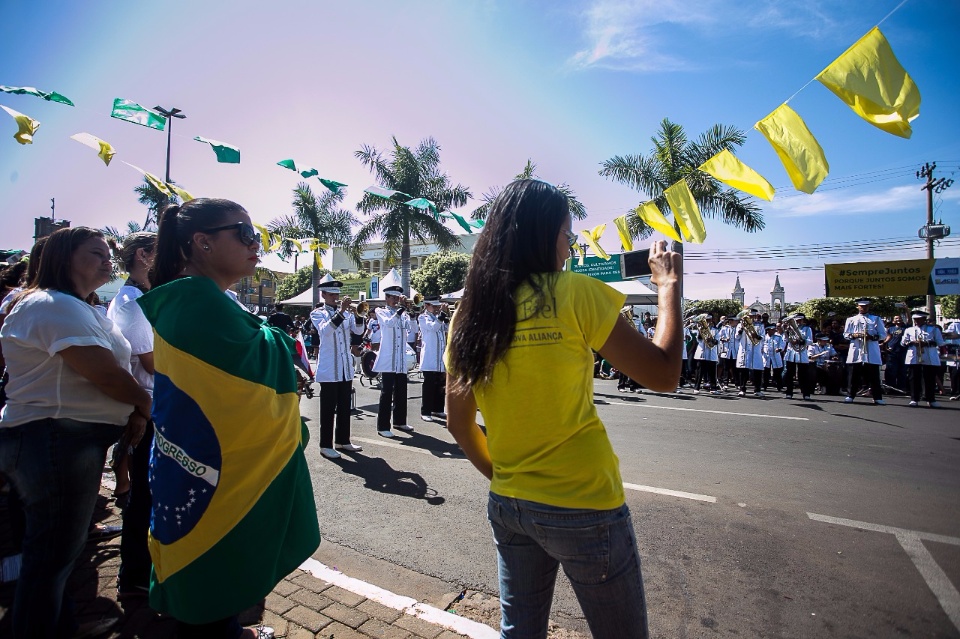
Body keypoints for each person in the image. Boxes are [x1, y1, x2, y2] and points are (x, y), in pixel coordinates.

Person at [445, 179, 682, 639]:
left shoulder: (470, 312)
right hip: (585, 505)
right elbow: (665, 374)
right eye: (568, 236)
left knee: (520, 631)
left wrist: (505, 477)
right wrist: (668, 286)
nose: (571, 248)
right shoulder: (576, 293)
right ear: (542, 234)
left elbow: (458, 422)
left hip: (510, 504)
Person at [140, 198, 319, 638]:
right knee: (214, 575)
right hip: (211, 463)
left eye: (255, 234)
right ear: (201, 242)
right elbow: (266, 356)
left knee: (212, 586)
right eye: (243, 233)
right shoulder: (199, 302)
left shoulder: (202, 298)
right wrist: (278, 339)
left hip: (199, 456)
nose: (255, 243)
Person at [0, 226, 152, 638]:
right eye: (96, 253)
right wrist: (146, 404)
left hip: (65, 440)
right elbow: (105, 374)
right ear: (65, 259)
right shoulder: (52, 305)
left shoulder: (77, 306)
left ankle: (56, 624)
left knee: (56, 555)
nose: (108, 261)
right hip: (52, 439)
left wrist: (133, 411)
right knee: (50, 556)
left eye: (108, 253)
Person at [106, 231, 158, 601]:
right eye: (162, 253)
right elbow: (153, 363)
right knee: (144, 497)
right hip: (148, 407)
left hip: (150, 406)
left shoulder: (138, 297)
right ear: (143, 256)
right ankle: (136, 573)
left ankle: (141, 569)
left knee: (149, 494)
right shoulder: (132, 302)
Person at [310, 275, 364, 459]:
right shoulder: (318, 313)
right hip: (329, 369)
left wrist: (358, 315)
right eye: (331, 294)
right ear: (323, 294)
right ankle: (325, 445)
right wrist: (341, 311)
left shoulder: (347, 313)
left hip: (345, 368)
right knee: (327, 408)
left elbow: (358, 332)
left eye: (337, 294)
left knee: (343, 406)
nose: (335, 297)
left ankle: (343, 440)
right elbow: (325, 331)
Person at [372, 286, 416, 437]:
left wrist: (411, 313)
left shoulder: (402, 314)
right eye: (393, 297)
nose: (396, 300)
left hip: (400, 358)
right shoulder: (381, 311)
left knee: (401, 391)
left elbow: (411, 329)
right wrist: (401, 310)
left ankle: (399, 421)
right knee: (386, 392)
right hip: (388, 359)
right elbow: (389, 323)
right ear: (386, 298)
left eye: (397, 298)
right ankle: (383, 426)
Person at [843, 298, 887, 405]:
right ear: (858, 307)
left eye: (866, 306)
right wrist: (855, 335)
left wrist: (872, 337)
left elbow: (883, 335)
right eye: (861, 306)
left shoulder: (875, 319)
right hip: (857, 349)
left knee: (874, 375)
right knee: (853, 375)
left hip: (871, 349)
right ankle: (850, 395)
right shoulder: (851, 319)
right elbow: (846, 334)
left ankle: (877, 397)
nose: (863, 308)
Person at [902, 311, 945, 408]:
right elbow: (903, 342)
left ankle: (931, 399)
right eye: (915, 319)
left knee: (929, 378)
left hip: (928, 355)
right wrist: (911, 342)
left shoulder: (933, 329)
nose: (917, 321)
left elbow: (940, 342)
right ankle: (914, 399)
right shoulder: (909, 330)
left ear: (924, 319)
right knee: (914, 378)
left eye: (919, 319)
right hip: (914, 355)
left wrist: (927, 343)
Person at [418, 296, 449, 422]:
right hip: (430, 358)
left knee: (440, 385)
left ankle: (438, 409)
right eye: (434, 306)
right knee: (429, 386)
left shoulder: (438, 318)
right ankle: (425, 411)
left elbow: (447, 328)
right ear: (426, 305)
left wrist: (446, 316)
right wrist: (441, 316)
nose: (436, 308)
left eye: (438, 306)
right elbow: (433, 328)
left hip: (440, 357)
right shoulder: (423, 318)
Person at [782, 313, 814, 400]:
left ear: (803, 320)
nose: (797, 322)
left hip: (802, 353)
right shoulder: (790, 328)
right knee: (789, 374)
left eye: (799, 320)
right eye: (796, 320)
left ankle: (806, 393)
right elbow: (785, 340)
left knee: (803, 375)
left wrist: (802, 341)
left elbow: (810, 341)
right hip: (791, 352)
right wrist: (786, 331)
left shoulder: (807, 329)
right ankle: (789, 393)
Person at [735, 312, 764, 397]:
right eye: (749, 316)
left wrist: (757, 336)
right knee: (743, 370)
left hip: (755, 350)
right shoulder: (740, 325)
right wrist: (741, 330)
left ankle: (757, 389)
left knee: (757, 370)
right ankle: (742, 389)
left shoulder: (760, 325)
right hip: (745, 350)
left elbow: (763, 337)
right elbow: (736, 337)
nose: (750, 318)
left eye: (752, 316)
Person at [692, 314, 719, 394]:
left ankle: (713, 388)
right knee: (699, 372)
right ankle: (696, 388)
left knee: (712, 372)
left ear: (711, 320)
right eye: (706, 320)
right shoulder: (700, 329)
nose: (707, 322)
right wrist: (701, 332)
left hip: (711, 353)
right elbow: (699, 340)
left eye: (709, 320)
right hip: (702, 353)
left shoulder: (715, 330)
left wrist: (713, 340)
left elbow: (717, 341)